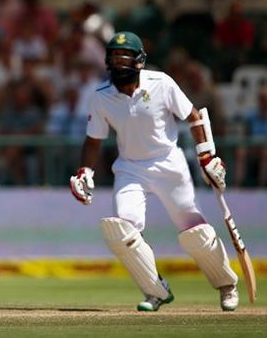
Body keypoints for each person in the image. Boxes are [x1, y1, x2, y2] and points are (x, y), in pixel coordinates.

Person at [69, 31, 239, 312]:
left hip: (169, 164)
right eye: (114, 56)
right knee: (122, 228)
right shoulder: (101, 97)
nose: (119, 62)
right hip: (130, 168)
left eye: (125, 56)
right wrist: (85, 170)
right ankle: (155, 291)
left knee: (193, 229)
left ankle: (226, 285)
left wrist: (208, 158)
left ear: (139, 62)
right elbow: (93, 140)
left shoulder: (162, 83)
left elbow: (194, 117)